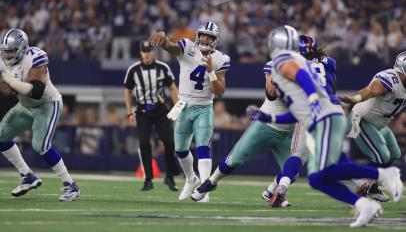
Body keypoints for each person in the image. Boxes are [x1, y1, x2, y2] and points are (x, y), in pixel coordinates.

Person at [195, 25, 403, 227]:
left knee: (313, 170)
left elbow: (293, 86)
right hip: (330, 112)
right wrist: (271, 118)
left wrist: (310, 96)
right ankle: (364, 199)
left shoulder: (291, 66)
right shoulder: (325, 63)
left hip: (320, 114)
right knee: (325, 169)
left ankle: (381, 177)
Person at [191, 60, 295, 207]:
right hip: (265, 126)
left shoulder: (306, 73)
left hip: (287, 132)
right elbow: (271, 93)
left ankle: (271, 192)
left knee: (292, 172)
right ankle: (211, 182)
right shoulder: (275, 65)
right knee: (234, 159)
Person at [150, 21, 230, 202]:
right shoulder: (187, 47)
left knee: (203, 147)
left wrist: (211, 70)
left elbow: (220, 91)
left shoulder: (220, 59)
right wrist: (163, 39)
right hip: (184, 105)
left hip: (204, 107)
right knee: (180, 150)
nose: (205, 38)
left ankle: (204, 188)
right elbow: (171, 47)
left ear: (215, 40)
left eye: (209, 36)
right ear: (198, 35)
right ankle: (190, 178)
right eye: (203, 35)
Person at [262, 34, 342, 207]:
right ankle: (363, 183)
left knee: (297, 155)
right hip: (334, 109)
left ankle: (281, 189)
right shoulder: (330, 62)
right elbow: (332, 89)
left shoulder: (294, 65)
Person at [0, 29, 80, 201]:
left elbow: (37, 91)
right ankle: (27, 175)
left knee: (40, 145)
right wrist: (5, 83)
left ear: (21, 48)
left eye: (10, 51)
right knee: (1, 136)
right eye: (4, 51)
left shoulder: (35, 57)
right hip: (25, 105)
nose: (6, 54)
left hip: (47, 104)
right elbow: (6, 91)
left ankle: (70, 184)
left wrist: (10, 80)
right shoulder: (3, 62)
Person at [340, 51, 406, 201]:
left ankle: (371, 185)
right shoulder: (390, 79)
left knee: (395, 154)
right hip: (362, 119)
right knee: (382, 155)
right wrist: (355, 98)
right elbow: (370, 91)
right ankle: (363, 185)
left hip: (379, 124)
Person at [124, 40, 180, 191]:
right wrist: (129, 112)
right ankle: (148, 178)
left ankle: (170, 176)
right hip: (143, 111)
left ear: (153, 52)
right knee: (143, 143)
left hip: (161, 110)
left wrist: (178, 109)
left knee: (168, 142)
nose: (147, 54)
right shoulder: (134, 70)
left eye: (149, 51)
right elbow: (127, 91)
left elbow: (173, 88)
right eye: (144, 51)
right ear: (140, 53)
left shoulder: (163, 68)